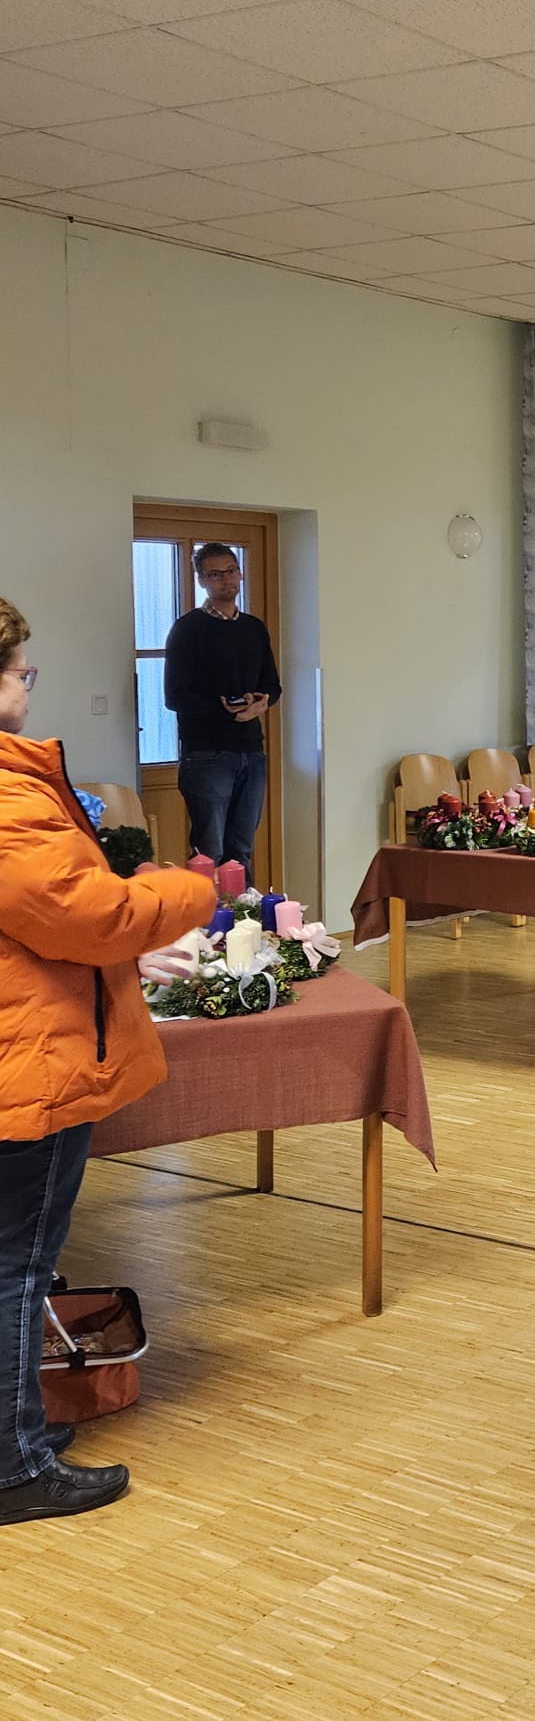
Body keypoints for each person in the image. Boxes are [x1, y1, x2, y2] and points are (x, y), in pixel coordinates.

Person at [0, 597, 213, 1525]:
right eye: (20, 669)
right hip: (31, 1062)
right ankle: (14, 1465)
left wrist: (125, 950)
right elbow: (89, 915)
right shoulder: (6, 796)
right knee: (17, 1268)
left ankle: (13, 1432)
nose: (27, 683)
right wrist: (186, 890)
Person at [163, 543, 280, 873]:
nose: (226, 579)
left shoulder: (254, 628)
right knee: (209, 850)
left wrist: (260, 703)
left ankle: (242, 909)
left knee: (241, 850)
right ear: (202, 580)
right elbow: (175, 696)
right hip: (206, 754)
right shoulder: (188, 629)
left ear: (240, 573)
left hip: (251, 751)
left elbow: (272, 684)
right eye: (215, 574)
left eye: (231, 571)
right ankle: (204, 908)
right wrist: (224, 710)